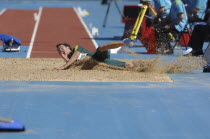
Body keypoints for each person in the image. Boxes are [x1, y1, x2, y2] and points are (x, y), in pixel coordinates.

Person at [54, 38, 134, 70]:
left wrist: (64, 66)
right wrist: (65, 59)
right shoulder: (70, 60)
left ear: (68, 47)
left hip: (96, 57)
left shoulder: (76, 49)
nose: (61, 51)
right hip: (100, 62)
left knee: (102, 47)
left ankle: (123, 43)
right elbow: (73, 65)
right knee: (128, 65)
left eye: (62, 48)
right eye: (59, 51)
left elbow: (77, 54)